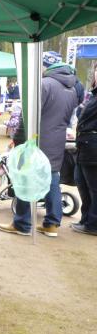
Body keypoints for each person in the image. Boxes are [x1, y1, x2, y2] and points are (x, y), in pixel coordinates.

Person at [0, 51, 81, 238]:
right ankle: (52, 223)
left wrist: (18, 139)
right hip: (57, 141)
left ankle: (22, 223)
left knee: (25, 178)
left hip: (36, 140)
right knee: (52, 178)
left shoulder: (43, 84)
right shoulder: (72, 89)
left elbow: (28, 116)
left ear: (44, 66)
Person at [72, 64, 97, 235]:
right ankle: (86, 219)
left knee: (94, 187)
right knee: (81, 183)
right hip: (84, 144)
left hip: (93, 146)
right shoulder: (93, 95)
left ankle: (93, 224)